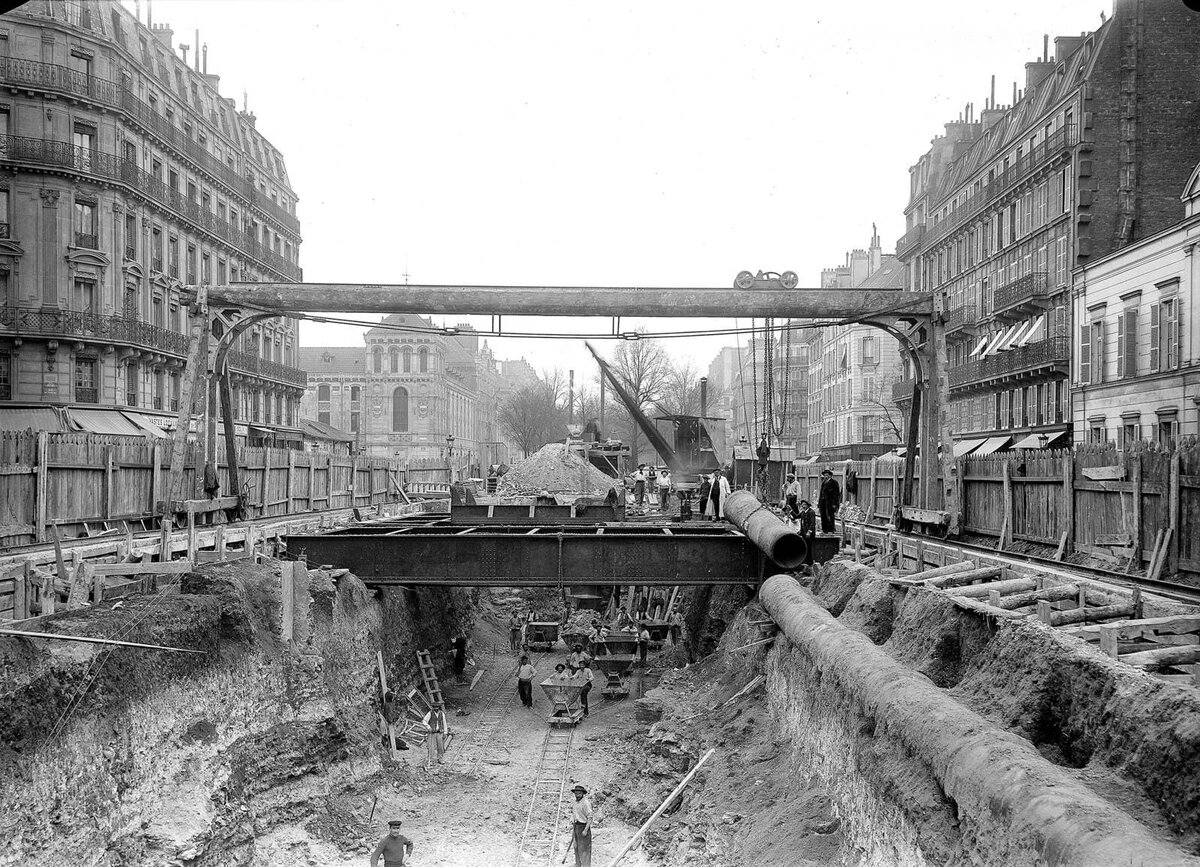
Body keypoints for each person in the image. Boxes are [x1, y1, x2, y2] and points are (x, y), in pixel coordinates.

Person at [570, 785, 594, 867]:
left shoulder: (586, 803)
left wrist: (585, 830)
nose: (577, 795)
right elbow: (574, 814)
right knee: (576, 847)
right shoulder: (575, 802)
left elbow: (590, 818)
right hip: (576, 826)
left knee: (584, 849)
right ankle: (578, 864)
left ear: (583, 794)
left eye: (579, 793)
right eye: (576, 793)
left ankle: (586, 865)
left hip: (583, 827)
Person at [818, 468, 841, 533]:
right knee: (823, 516)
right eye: (824, 475)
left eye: (827, 475)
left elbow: (836, 494)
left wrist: (834, 504)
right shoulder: (824, 482)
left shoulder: (834, 482)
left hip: (830, 502)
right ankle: (824, 530)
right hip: (823, 501)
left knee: (830, 516)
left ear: (830, 476)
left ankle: (831, 529)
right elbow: (821, 492)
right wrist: (819, 503)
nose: (825, 476)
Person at [797, 498, 817, 570]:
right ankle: (806, 562)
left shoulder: (811, 512)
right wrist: (790, 511)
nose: (803, 506)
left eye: (804, 504)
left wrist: (809, 531)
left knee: (809, 547)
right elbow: (796, 516)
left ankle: (810, 562)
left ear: (808, 505)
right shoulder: (803, 513)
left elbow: (812, 523)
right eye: (802, 505)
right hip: (804, 533)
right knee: (805, 547)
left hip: (809, 533)